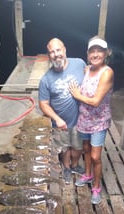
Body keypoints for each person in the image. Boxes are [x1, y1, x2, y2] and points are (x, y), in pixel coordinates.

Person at [69, 36, 114, 204]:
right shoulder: (87, 69)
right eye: (92, 51)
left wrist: (77, 95)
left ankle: (96, 187)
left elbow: (95, 101)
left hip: (99, 121)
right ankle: (87, 175)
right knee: (86, 149)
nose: (95, 54)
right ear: (88, 54)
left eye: (99, 51)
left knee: (96, 156)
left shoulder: (107, 72)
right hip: (84, 119)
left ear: (106, 53)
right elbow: (71, 64)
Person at [39, 38, 86, 184]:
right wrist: (57, 119)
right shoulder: (46, 79)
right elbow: (43, 104)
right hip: (61, 121)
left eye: (58, 50)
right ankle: (66, 167)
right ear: (49, 55)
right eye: (52, 52)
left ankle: (75, 165)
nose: (56, 54)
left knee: (78, 146)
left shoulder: (79, 63)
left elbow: (90, 78)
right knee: (65, 147)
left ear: (64, 50)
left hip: (81, 118)